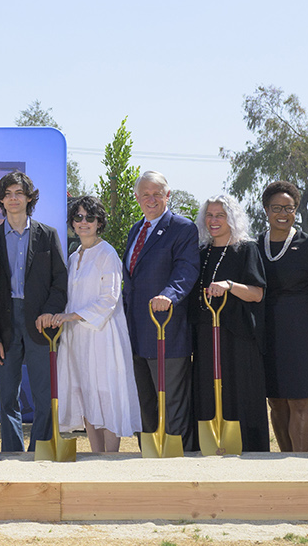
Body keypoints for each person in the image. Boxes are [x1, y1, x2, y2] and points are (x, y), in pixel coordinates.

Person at [50, 195, 140, 452]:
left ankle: (111, 457)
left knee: (105, 391)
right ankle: (96, 454)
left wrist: (71, 316)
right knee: (85, 391)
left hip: (102, 335)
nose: (84, 222)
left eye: (90, 217)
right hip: (76, 337)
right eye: (78, 217)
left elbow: (109, 299)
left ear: (99, 222)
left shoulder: (107, 253)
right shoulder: (73, 255)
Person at [0, 171, 68, 452]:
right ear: (0, 200)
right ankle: (12, 451)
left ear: (29, 198)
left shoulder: (48, 235)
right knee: (7, 394)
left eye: (18, 193)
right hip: (6, 322)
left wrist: (49, 312)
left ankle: (41, 448)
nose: (13, 199)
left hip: (40, 323)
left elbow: (60, 282)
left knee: (44, 394)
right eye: (7, 194)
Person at [122, 170, 200, 453]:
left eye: (157, 194)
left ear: (168, 196)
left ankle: (178, 462)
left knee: (172, 403)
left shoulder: (182, 228)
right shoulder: (135, 230)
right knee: (144, 401)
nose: (151, 199)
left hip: (166, 328)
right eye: (145, 194)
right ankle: (149, 458)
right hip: (135, 331)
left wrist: (169, 295)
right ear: (137, 198)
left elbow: (186, 269)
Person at [258, 181, 308, 452]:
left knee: (300, 400)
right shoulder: (254, 245)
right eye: (276, 207)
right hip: (267, 330)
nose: (283, 213)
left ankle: (299, 463)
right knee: (276, 400)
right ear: (266, 209)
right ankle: (284, 459)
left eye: (289, 208)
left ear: (296, 210)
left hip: (302, 330)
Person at [188, 195, 270, 452]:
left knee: (240, 392)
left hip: (238, 337)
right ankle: (209, 446)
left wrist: (230, 286)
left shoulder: (246, 249)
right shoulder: (201, 252)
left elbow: (257, 293)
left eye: (220, 215)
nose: (213, 221)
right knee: (207, 391)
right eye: (209, 215)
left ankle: (248, 449)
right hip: (205, 334)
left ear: (232, 218)